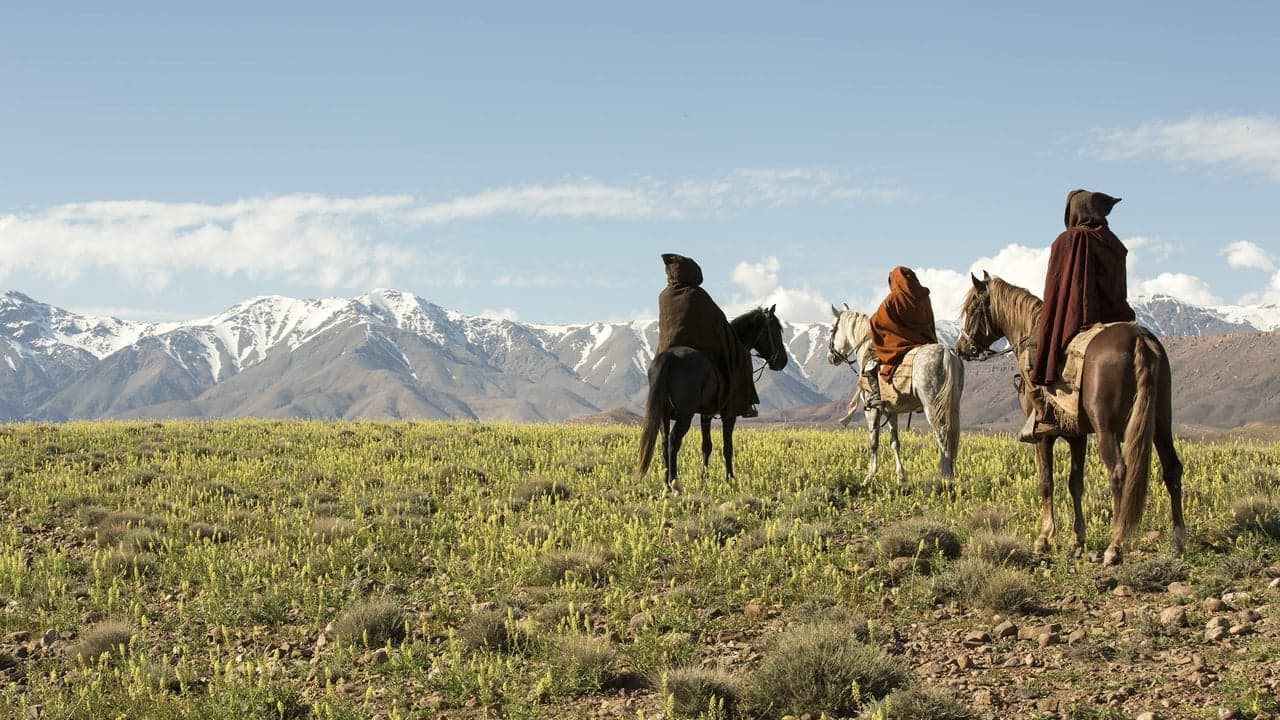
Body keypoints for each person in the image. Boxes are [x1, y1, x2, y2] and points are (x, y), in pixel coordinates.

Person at [1020, 189, 1136, 442]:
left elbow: (1057, 288)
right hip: (1117, 316)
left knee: (1035, 349)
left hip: (1080, 316)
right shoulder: (1114, 242)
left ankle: (1044, 411)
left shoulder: (1068, 240)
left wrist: (1053, 319)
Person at [656, 253, 759, 418]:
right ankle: (744, 404)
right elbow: (718, 321)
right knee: (742, 357)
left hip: (666, 347)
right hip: (699, 345)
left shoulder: (664, 296)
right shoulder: (697, 294)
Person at [866, 266, 938, 409]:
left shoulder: (894, 298)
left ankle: (876, 395)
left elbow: (876, 321)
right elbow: (931, 321)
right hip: (925, 340)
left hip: (902, 343)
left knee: (872, 365)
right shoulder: (924, 296)